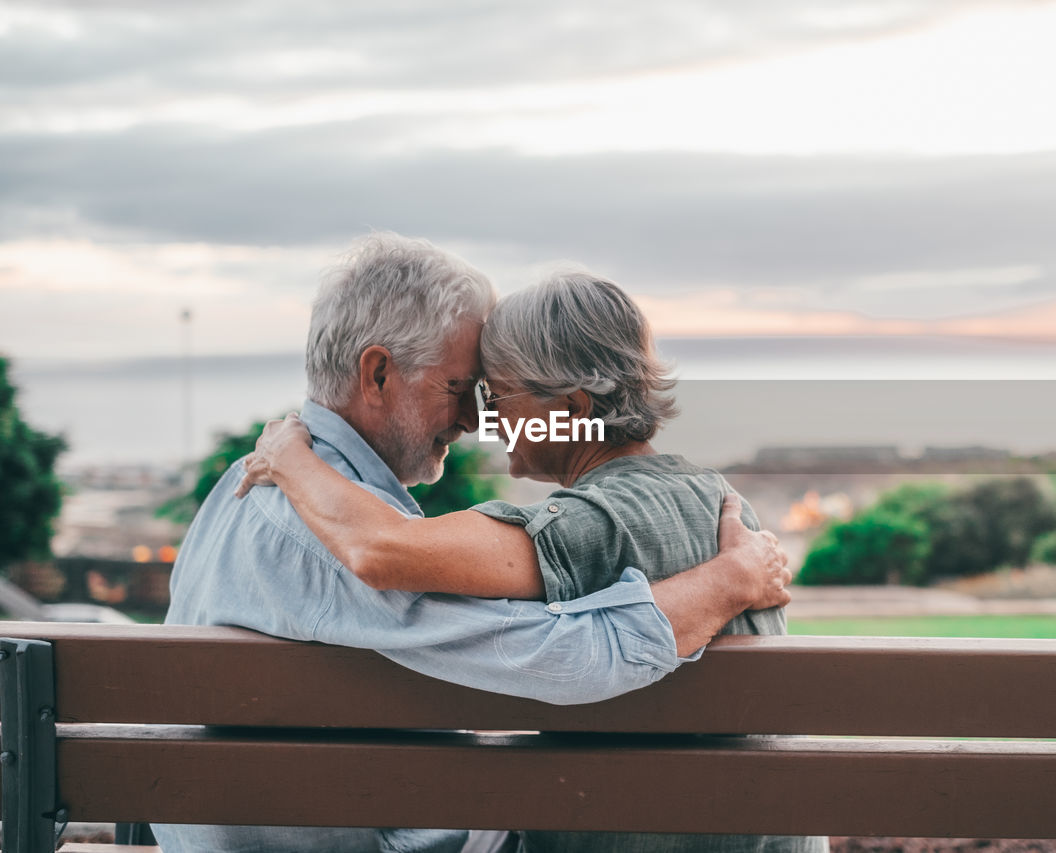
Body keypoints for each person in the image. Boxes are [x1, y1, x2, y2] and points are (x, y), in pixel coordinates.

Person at [152, 236, 793, 853]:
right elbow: (571, 657)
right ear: (377, 374)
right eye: (463, 389)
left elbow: (390, 552)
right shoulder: (716, 504)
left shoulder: (246, 481)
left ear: (568, 407)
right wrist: (733, 577)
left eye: (492, 395)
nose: (474, 420)